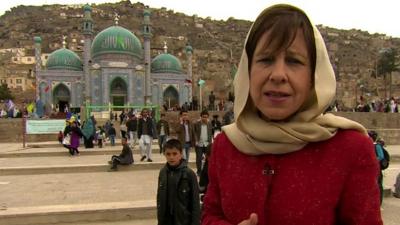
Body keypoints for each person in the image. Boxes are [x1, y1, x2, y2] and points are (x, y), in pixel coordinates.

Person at [202, 4, 382, 225]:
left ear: (313, 77)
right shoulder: (226, 146)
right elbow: (211, 215)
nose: (278, 75)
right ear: (247, 70)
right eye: (266, 59)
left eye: (294, 61)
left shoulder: (351, 149)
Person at [157, 138, 200, 225]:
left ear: (180, 154)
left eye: (174, 154)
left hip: (183, 220)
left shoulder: (189, 174)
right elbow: (159, 198)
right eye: (168, 154)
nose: (171, 157)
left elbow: (195, 203)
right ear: (164, 154)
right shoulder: (163, 173)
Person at [194, 110, 212, 176]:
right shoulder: (197, 123)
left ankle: (207, 171)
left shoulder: (209, 124)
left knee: (209, 158)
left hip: (207, 144)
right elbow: (194, 132)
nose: (205, 118)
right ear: (201, 117)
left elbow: (210, 133)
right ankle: (199, 171)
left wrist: (210, 142)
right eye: (203, 117)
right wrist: (196, 140)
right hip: (199, 144)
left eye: (206, 117)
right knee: (198, 158)